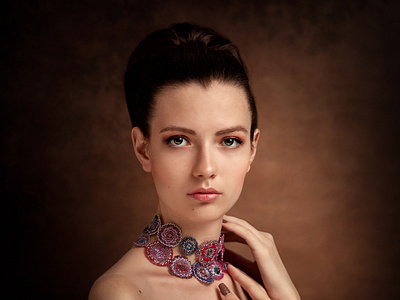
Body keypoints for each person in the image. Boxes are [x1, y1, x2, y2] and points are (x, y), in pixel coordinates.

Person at [89, 22, 300, 300]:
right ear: (143, 149)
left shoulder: (262, 284)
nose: (206, 169)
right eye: (179, 140)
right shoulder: (121, 292)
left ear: (252, 148)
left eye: (229, 141)